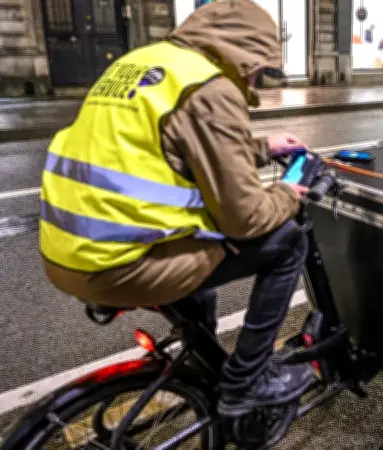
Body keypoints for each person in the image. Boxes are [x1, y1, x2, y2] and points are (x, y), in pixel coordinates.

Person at [39, 0, 315, 417]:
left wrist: (262, 148)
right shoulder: (211, 88)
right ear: (244, 52)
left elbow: (175, 150)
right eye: (259, 68)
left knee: (201, 254)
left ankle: (203, 363)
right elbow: (246, 219)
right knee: (288, 241)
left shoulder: (142, 63)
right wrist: (288, 194)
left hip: (67, 252)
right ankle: (246, 382)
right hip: (122, 264)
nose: (257, 78)